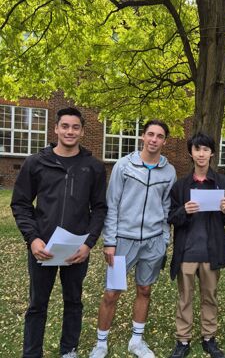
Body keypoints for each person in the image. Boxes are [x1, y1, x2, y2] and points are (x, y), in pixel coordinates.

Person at [10, 107, 108, 358]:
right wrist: (33, 239)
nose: (70, 131)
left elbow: (99, 208)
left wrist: (88, 244)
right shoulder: (36, 163)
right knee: (37, 305)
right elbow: (21, 204)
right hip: (43, 247)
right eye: (65, 126)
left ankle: (68, 350)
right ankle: (32, 353)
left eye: (75, 127)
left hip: (76, 249)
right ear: (55, 128)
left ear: (83, 131)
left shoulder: (93, 167)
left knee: (73, 302)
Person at [89, 119, 176, 358]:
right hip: (123, 241)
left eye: (159, 136)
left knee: (145, 289)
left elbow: (167, 207)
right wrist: (109, 241)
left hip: (153, 242)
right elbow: (112, 204)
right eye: (150, 134)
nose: (154, 139)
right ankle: (101, 343)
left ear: (164, 141)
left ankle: (136, 341)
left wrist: (164, 240)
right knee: (112, 292)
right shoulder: (124, 166)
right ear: (142, 137)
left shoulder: (169, 171)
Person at [167, 132, 225, 358]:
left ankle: (209, 337)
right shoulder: (180, 186)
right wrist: (183, 211)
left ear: (212, 153)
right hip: (187, 250)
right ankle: (183, 340)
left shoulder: (223, 183)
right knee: (184, 297)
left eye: (205, 149)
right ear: (191, 153)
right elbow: (171, 216)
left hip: (212, 251)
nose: (201, 154)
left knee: (210, 296)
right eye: (197, 149)